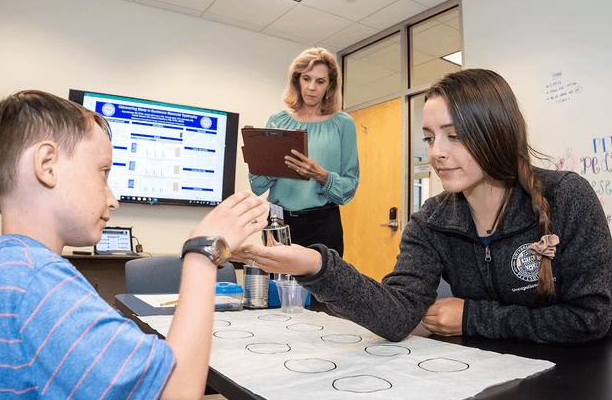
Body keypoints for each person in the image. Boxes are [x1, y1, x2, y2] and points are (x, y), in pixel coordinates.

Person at [0, 90, 268, 400]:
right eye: (103, 172)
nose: (112, 199)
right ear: (47, 164)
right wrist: (203, 251)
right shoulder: (41, 285)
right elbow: (181, 389)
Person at [235, 68, 612, 344]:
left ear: (497, 132)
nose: (436, 153)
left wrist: (471, 317)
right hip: (485, 381)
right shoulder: (432, 218)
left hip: (571, 385)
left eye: (454, 136)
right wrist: (317, 266)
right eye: (430, 138)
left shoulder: (566, 196)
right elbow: (397, 315)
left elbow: (592, 317)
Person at [249, 47, 360, 258]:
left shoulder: (343, 124)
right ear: (296, 80)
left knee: (324, 290)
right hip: (279, 223)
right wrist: (274, 167)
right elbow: (257, 184)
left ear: (330, 86)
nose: (311, 87)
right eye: (306, 78)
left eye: (320, 81)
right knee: (278, 289)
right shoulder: (278, 121)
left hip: (323, 224)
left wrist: (322, 176)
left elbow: (350, 186)